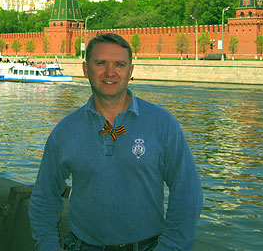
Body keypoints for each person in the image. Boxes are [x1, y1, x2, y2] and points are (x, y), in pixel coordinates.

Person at [29, 33, 203, 251]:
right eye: (101, 63)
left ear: (130, 72)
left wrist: (171, 246)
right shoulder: (65, 131)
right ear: (85, 69)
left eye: (119, 64)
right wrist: (47, 246)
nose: (110, 72)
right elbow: (44, 197)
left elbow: (187, 192)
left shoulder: (162, 123)